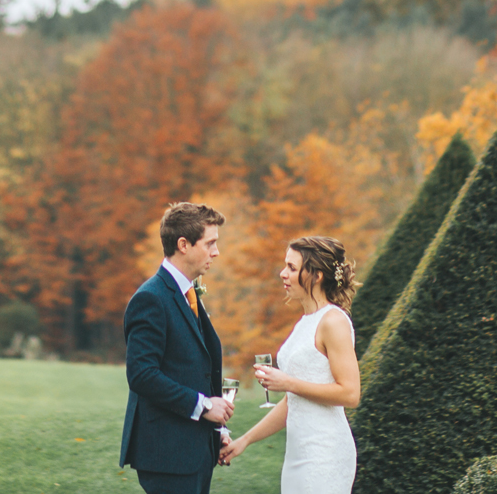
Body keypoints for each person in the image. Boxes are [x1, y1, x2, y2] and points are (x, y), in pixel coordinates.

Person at [221, 235, 360, 494]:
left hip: (324, 453)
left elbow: (350, 394)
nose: (283, 274)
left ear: (316, 275)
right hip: (298, 454)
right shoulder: (305, 322)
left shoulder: (333, 321)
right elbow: (292, 402)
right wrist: (244, 441)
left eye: (292, 268)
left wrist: (287, 382)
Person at [121, 202, 233, 494]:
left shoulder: (190, 292)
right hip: (167, 455)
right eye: (210, 243)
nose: (216, 252)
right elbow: (142, 374)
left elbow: (194, 366)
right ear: (184, 244)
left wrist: (216, 429)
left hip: (195, 450)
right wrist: (205, 406)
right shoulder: (151, 299)